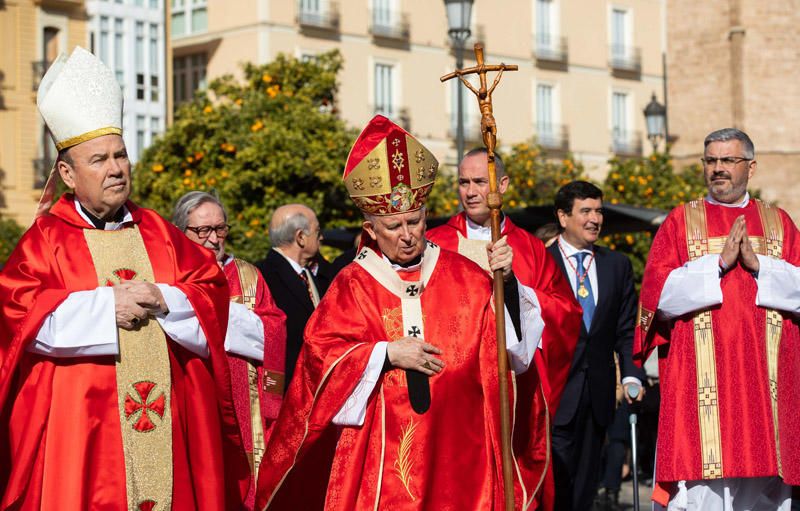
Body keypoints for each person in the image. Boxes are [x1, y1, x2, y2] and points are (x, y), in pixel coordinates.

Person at [256, 115, 549, 510]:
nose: (407, 234)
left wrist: (507, 283)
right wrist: (386, 354)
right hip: (383, 450)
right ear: (372, 230)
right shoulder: (353, 283)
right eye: (394, 225)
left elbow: (512, 349)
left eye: (415, 221)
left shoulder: (465, 274)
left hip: (462, 450)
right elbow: (319, 358)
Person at [0, 47, 247, 510]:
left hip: (167, 425)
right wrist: (101, 307)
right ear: (68, 174)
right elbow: (15, 312)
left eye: (121, 155)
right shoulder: (45, 239)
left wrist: (163, 296)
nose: (116, 168)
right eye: (100, 160)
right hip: (85, 431)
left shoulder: (159, 232)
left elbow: (211, 290)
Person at [634, 128, 800, 510]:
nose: (718, 169)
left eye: (729, 160)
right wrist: (719, 264)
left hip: (766, 391)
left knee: (767, 497)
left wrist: (760, 266)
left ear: (751, 167)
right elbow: (656, 299)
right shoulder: (680, 222)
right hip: (700, 392)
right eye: (711, 161)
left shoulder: (778, 223)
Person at [173, 191, 287, 510]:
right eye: (203, 231)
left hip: (243, 406)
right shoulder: (169, 277)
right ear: (181, 232)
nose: (213, 239)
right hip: (191, 398)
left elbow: (274, 327)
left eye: (220, 229)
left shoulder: (248, 277)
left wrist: (219, 318)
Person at [546, 180, 644, 511]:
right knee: (555, 486)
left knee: (585, 489)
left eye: (598, 211)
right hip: (554, 396)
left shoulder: (616, 266)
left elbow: (626, 328)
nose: (595, 219)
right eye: (585, 211)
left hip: (598, 395)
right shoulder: (540, 264)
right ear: (563, 217)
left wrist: (631, 375)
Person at [256, 204, 331, 385]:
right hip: (286, 389)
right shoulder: (263, 277)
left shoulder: (312, 275)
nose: (321, 237)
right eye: (317, 231)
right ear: (300, 237)